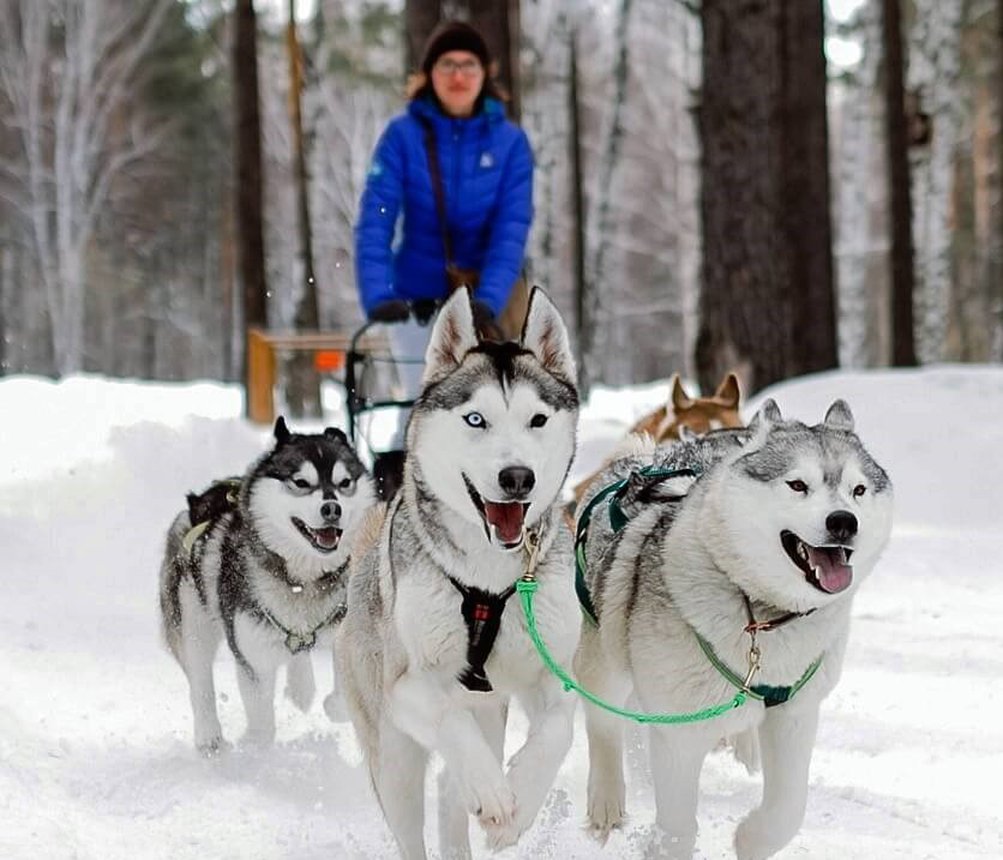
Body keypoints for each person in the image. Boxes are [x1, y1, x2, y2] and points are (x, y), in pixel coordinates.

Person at [354, 20, 535, 499]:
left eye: (468, 65)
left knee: (487, 403)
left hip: (485, 297)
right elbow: (376, 216)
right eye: (447, 65)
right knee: (427, 399)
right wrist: (379, 295)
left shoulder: (510, 144)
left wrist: (489, 300)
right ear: (429, 73)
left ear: (485, 74)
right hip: (415, 294)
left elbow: (510, 231)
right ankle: (397, 501)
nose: (458, 75)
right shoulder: (402, 136)